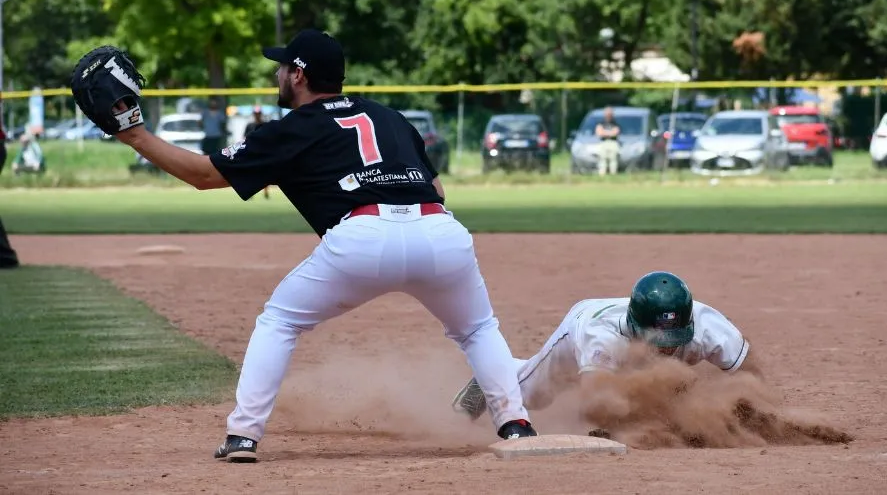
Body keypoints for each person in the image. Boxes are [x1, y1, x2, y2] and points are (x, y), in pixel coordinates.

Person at [95, 29, 537, 462]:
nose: (278, 74)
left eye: (283, 67)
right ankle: (516, 425)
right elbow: (436, 188)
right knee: (478, 329)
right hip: (441, 233)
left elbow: (203, 175)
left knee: (279, 322)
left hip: (362, 238)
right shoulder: (390, 116)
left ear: (299, 76)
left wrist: (134, 134)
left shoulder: (293, 129)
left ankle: (243, 435)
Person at [451, 271, 761, 433]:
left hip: (616, 345)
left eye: (674, 336)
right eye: (658, 337)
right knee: (534, 396)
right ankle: (496, 374)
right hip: (580, 326)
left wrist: (754, 406)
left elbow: (751, 373)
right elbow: (594, 405)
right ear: (635, 323)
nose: (667, 345)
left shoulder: (710, 327)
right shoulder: (599, 335)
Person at [244, 106, 271, 199]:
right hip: (251, 152)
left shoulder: (265, 124)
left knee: (265, 173)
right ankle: (250, 192)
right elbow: (245, 138)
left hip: (263, 152)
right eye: (256, 113)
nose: (257, 115)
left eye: (258, 113)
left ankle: (266, 192)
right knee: (250, 173)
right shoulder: (250, 125)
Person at [594, 107, 621, 175]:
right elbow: (599, 133)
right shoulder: (601, 123)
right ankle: (602, 174)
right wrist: (610, 133)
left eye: (610, 113)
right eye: (607, 113)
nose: (608, 114)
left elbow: (616, 132)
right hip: (603, 142)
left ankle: (613, 173)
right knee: (602, 158)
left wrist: (605, 132)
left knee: (613, 158)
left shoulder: (615, 123)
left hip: (613, 142)